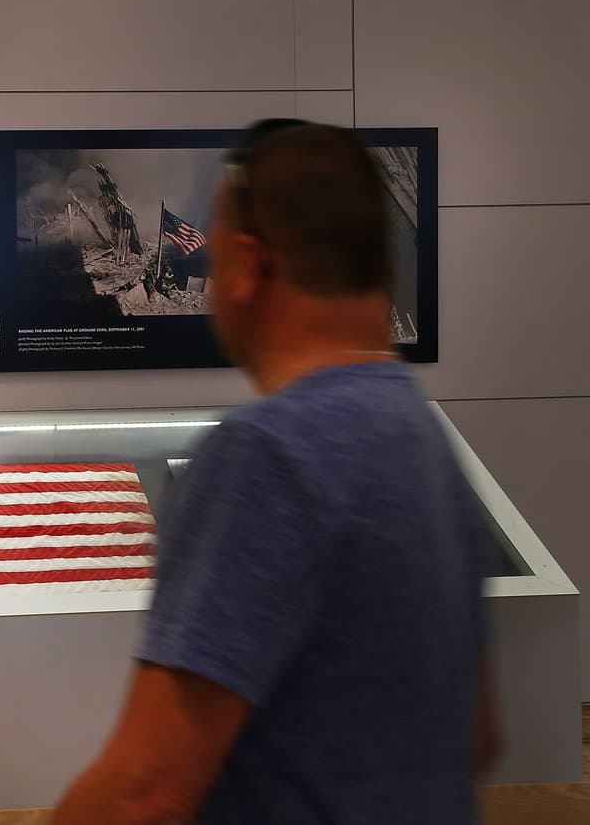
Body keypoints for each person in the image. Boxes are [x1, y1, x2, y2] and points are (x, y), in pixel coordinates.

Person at [51, 120, 502, 824]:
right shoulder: (425, 438)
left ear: (250, 265)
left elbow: (146, 789)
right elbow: (478, 736)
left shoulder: (267, 453)